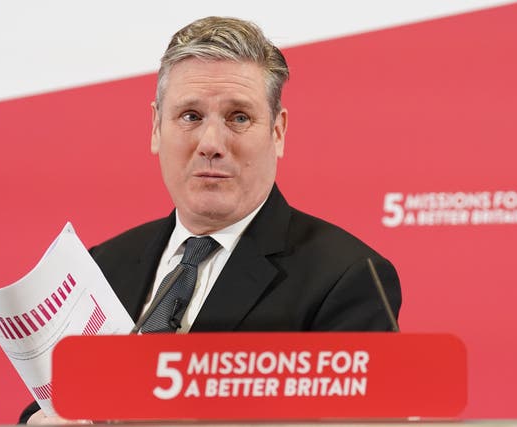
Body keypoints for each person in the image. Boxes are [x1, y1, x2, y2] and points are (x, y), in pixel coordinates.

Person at [21, 16, 401, 424]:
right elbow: (50, 399)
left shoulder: (347, 278)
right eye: (190, 116)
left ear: (277, 131)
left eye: (239, 117)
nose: (211, 144)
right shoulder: (105, 265)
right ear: (155, 127)